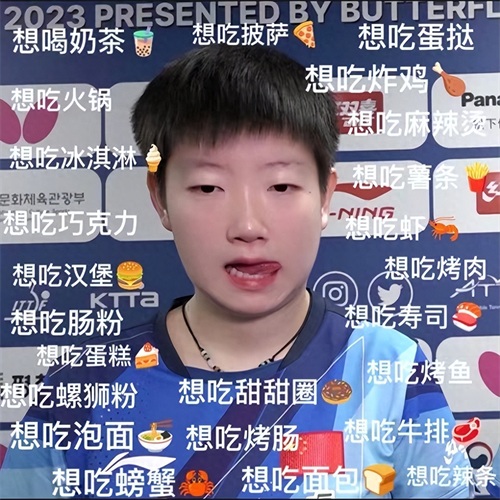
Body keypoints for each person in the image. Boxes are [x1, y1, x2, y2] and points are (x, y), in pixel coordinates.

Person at [0, 44, 472, 499]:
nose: (248, 226)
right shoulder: (82, 386)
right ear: (160, 198)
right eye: (208, 188)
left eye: (281, 186)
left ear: (326, 197)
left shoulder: (390, 368)